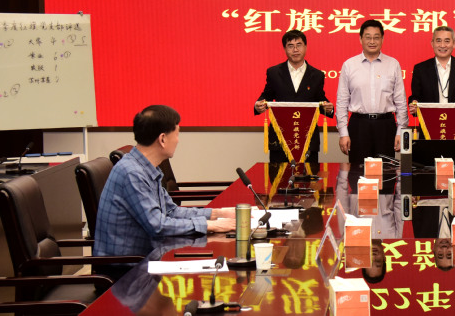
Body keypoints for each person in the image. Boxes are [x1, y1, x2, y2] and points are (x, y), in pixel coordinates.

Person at [94, 105, 235, 260]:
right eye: (177, 134)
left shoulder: (145, 167)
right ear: (162, 139)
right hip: (129, 267)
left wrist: (218, 214)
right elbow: (158, 226)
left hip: (148, 256)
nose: (178, 140)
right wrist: (211, 225)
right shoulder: (132, 173)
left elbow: (171, 212)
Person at [254, 30, 334, 163]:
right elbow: (266, 96)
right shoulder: (274, 72)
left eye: (299, 45)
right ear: (285, 49)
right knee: (279, 176)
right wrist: (258, 105)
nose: (295, 50)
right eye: (290, 46)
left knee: (309, 176)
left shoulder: (317, 75)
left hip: (308, 139)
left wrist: (328, 108)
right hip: (280, 139)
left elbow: (319, 100)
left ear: (305, 47)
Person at [337, 19, 408, 167]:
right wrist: (343, 133)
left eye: (376, 37)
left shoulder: (393, 64)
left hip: (386, 126)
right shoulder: (349, 65)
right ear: (360, 39)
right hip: (359, 126)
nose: (372, 41)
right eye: (368, 37)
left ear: (382, 39)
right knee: (357, 173)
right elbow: (342, 102)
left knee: (386, 173)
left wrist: (400, 131)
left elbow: (400, 101)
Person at [408, 25, 455, 158]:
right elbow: (415, 96)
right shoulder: (420, 68)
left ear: (454, 43)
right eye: (438, 41)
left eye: (447, 41)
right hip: (429, 130)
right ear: (432, 43)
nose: (442, 45)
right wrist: (414, 103)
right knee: (429, 168)